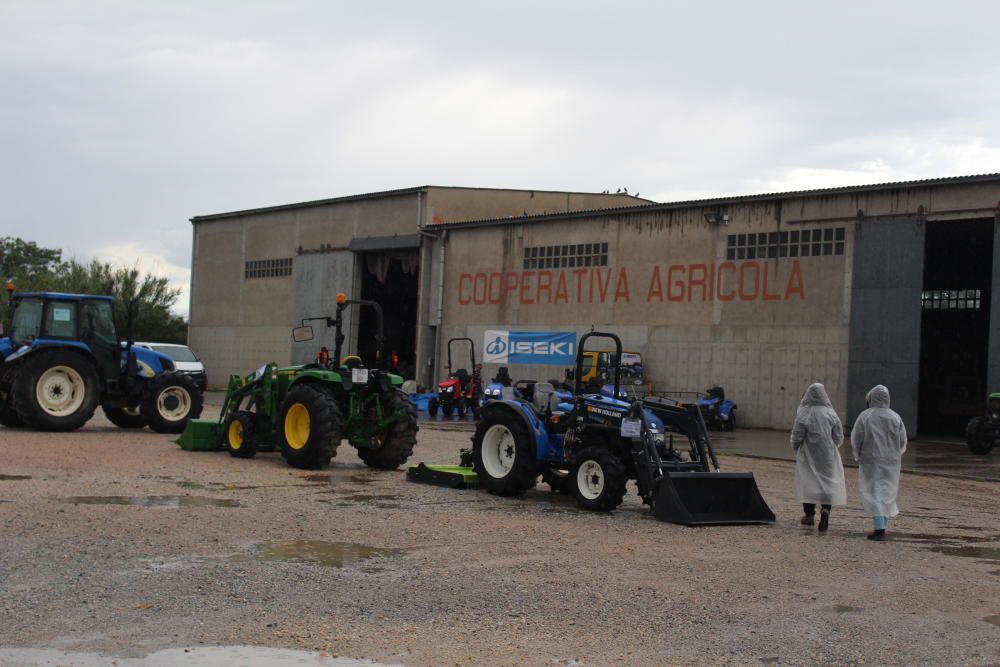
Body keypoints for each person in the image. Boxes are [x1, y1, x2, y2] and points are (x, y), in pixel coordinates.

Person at [851, 384, 908, 541]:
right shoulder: (895, 417)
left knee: (874, 491)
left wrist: (858, 454)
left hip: (871, 460)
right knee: (887, 491)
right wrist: (897, 454)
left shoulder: (865, 416)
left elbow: (857, 438)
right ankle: (881, 525)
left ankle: (879, 528)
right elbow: (903, 440)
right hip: (892, 461)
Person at [790, 383, 847, 531]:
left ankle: (809, 515)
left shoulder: (804, 412)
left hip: (808, 455)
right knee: (826, 482)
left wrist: (796, 446)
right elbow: (839, 436)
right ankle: (826, 509)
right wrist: (832, 446)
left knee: (808, 482)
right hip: (828, 455)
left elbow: (797, 436)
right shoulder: (831, 413)